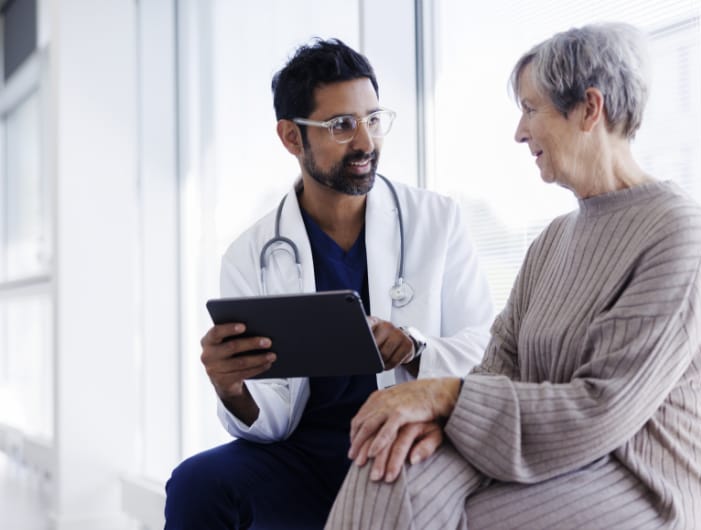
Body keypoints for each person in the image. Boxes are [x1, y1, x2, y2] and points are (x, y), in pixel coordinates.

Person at [326, 22, 701, 529]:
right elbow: (499, 368)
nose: (520, 132)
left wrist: (444, 398)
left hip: (649, 480)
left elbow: (602, 408)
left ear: (590, 108)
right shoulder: (552, 241)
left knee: (465, 515)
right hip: (559, 459)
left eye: (530, 109)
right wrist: (440, 419)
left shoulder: (680, 234)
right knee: (387, 469)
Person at [164, 38, 494, 529]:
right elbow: (272, 419)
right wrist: (232, 388)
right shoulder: (250, 255)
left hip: (401, 441)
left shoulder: (437, 221)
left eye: (373, 120)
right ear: (291, 138)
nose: (365, 142)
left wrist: (414, 347)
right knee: (197, 483)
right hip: (302, 455)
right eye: (341, 125)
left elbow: (486, 350)